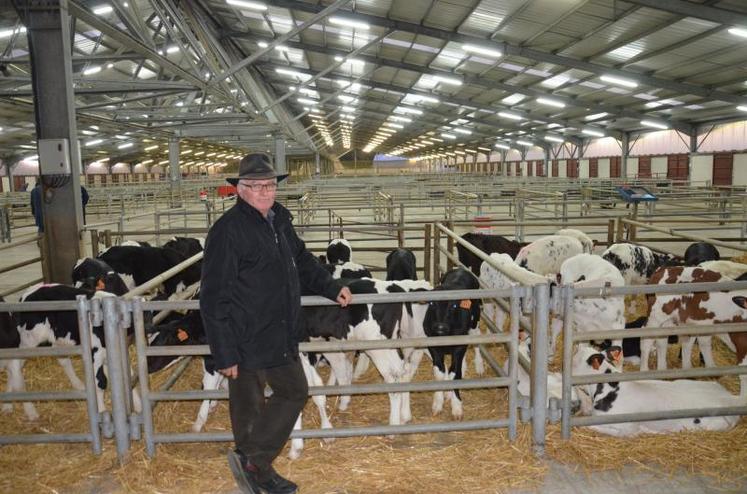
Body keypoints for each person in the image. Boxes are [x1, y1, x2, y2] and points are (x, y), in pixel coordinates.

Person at [200, 153, 352, 494]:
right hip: (245, 336)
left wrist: (331, 287)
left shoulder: (280, 219)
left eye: (269, 184)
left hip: (281, 330)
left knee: (295, 390)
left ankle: (252, 461)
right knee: (248, 408)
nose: (265, 191)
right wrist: (224, 353)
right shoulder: (227, 232)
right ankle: (257, 473)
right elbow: (212, 297)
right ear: (239, 189)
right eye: (255, 186)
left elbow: (302, 259)